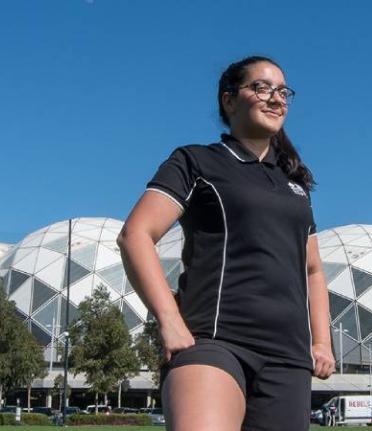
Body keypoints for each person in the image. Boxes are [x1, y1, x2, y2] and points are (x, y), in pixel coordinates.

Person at [118, 56, 335, 431]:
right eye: (262, 88)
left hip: (288, 359)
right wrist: (168, 320)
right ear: (229, 100)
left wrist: (322, 342)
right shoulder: (197, 161)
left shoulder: (295, 186)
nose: (276, 98)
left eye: (283, 92)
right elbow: (135, 235)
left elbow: (312, 269)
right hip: (214, 342)